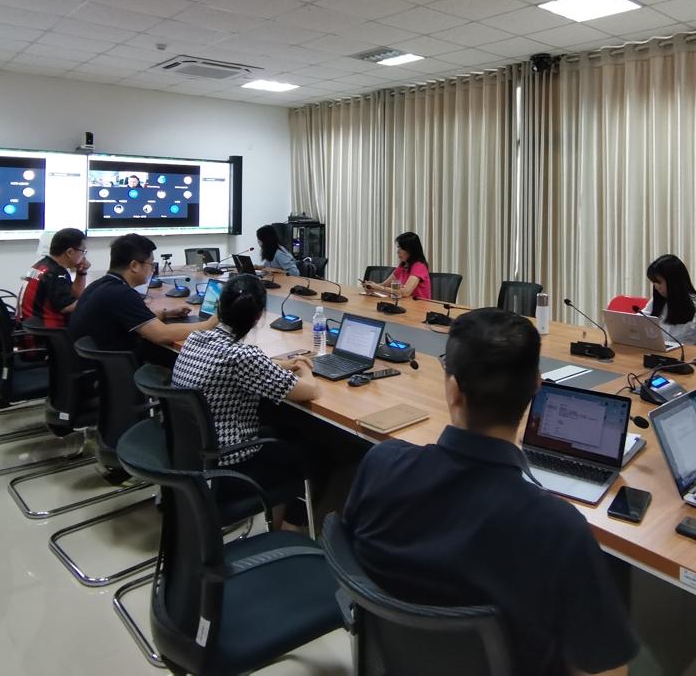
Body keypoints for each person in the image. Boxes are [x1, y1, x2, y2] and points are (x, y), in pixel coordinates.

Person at [344, 308, 639, 676]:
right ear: (537, 387)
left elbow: (350, 549)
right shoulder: (559, 529)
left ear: (453, 390)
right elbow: (605, 669)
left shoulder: (381, 464)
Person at [172, 273, 320, 530]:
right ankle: (286, 529)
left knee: (280, 428)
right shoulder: (242, 356)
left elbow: (241, 366)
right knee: (313, 451)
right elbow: (310, 391)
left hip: (193, 455)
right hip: (230, 466)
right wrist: (305, 367)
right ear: (258, 316)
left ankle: (278, 521)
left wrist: (281, 365)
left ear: (220, 308)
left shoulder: (197, 337)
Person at [68, 233, 215, 364]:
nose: (153, 269)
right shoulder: (121, 294)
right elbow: (161, 334)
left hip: (94, 365)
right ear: (134, 265)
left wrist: (165, 314)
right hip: (113, 369)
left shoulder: (99, 285)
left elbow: (128, 319)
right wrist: (209, 324)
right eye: (151, 264)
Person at [640, 254, 696, 348]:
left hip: (689, 357)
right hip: (660, 354)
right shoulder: (657, 302)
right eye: (654, 283)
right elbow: (639, 321)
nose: (657, 287)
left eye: (659, 282)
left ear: (674, 282)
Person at [17, 227, 90, 328]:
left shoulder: (42, 265)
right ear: (69, 252)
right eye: (83, 251)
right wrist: (95, 299)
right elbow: (67, 307)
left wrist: (81, 272)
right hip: (49, 333)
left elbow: (75, 295)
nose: (84, 256)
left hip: (29, 327)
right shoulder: (56, 274)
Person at [362, 231, 432, 301]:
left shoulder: (419, 266)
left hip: (419, 305)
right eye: (398, 248)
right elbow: (385, 285)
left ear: (411, 250)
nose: (398, 251)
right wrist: (371, 286)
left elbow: (405, 292)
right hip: (405, 303)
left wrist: (378, 288)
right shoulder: (403, 265)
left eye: (401, 248)